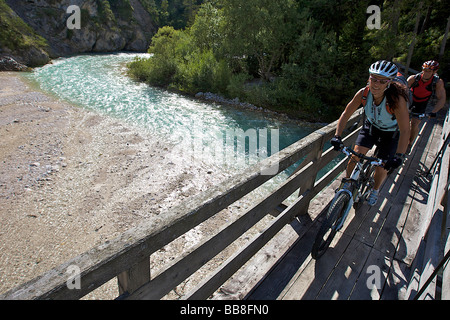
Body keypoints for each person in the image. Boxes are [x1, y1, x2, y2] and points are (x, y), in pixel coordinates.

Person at [331, 60, 410, 206]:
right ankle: (348, 183)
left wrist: (399, 156)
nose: (376, 84)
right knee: (354, 156)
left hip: (391, 134)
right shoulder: (363, 93)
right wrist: (337, 136)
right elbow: (346, 113)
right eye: (373, 78)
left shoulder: (396, 100)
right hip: (371, 128)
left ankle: (375, 190)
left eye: (382, 81)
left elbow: (405, 130)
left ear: (389, 82)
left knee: (382, 167)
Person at [407, 60, 447, 150]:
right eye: (424, 70)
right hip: (410, 100)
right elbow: (403, 90)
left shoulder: (437, 82)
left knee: (414, 124)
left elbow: (442, 99)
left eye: (428, 71)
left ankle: (409, 144)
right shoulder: (414, 78)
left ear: (434, 72)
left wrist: (433, 111)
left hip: (422, 103)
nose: (425, 73)